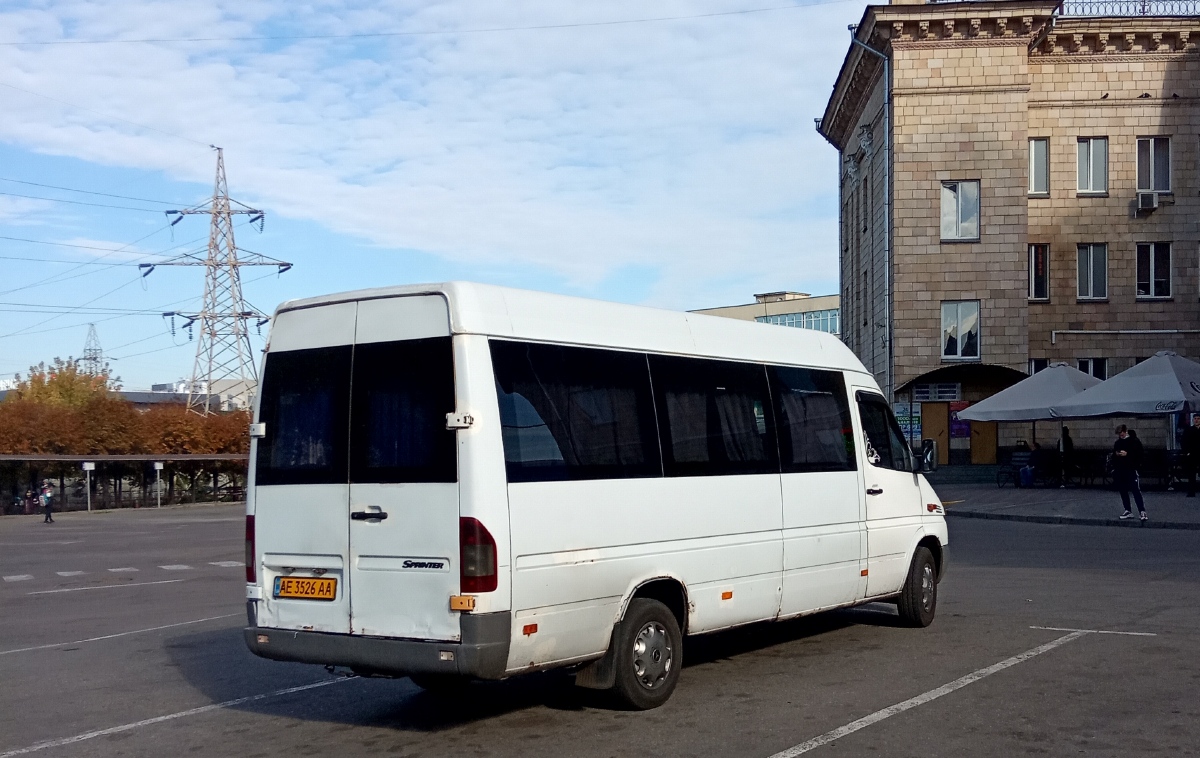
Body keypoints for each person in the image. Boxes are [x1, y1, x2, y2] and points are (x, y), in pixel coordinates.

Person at [1112, 425, 1146, 521]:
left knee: (1135, 490)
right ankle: (1127, 510)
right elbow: (1114, 455)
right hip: (1120, 469)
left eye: (1121, 433)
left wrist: (1128, 454)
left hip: (1131, 469)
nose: (1120, 435)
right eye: (1119, 434)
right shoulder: (1118, 443)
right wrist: (1116, 454)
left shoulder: (1134, 441)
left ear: (1125, 431)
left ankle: (1142, 511)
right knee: (1123, 490)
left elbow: (1139, 454)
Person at [1181, 414, 1200, 498]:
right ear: (1193, 420)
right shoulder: (1189, 430)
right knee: (1191, 474)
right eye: (1195, 419)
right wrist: (1187, 452)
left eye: (1198, 419)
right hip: (1192, 455)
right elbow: (1183, 441)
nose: (1196, 420)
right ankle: (1191, 491)